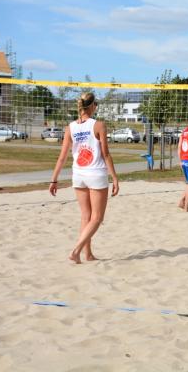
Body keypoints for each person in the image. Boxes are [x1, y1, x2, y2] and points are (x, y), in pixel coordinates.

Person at [49, 92, 119, 264]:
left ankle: (87, 254)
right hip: (95, 174)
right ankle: (76, 250)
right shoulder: (99, 125)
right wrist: (115, 178)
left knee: (85, 216)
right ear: (93, 105)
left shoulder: (70, 127)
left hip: (78, 175)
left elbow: (62, 157)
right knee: (97, 218)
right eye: (96, 104)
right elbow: (106, 154)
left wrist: (54, 179)